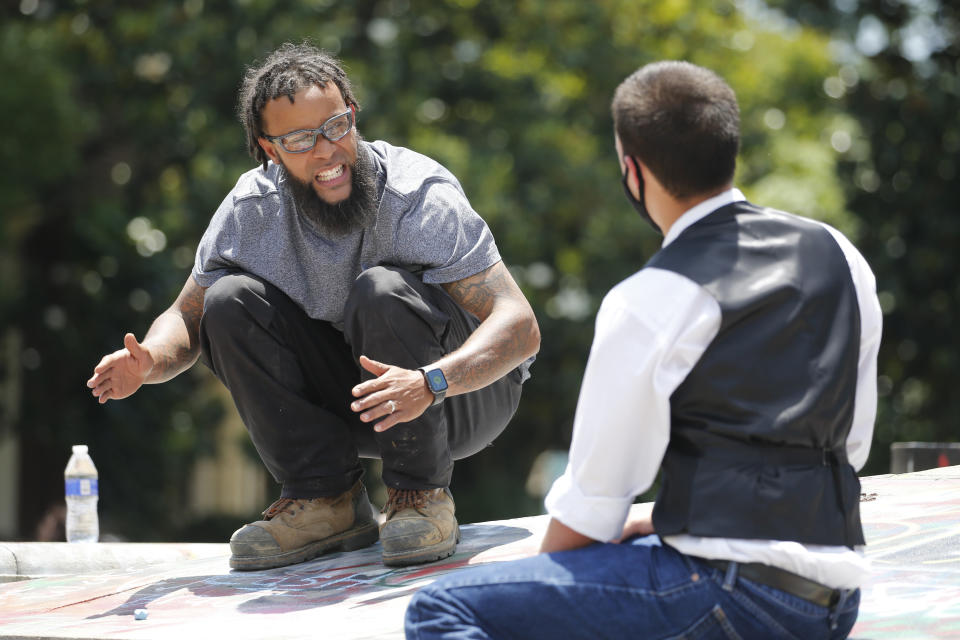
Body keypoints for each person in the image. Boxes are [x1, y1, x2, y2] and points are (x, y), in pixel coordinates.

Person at [405, 61, 882, 639]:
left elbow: (593, 505)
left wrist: (540, 587)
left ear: (633, 172)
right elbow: (845, 447)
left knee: (443, 608)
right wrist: (667, 521)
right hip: (833, 599)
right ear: (729, 148)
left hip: (725, 597)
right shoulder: (838, 254)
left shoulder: (651, 295)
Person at [86, 43, 540, 570]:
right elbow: (188, 315)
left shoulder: (418, 197)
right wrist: (153, 361)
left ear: (354, 113)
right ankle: (327, 499)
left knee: (380, 290)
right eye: (300, 139)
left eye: (335, 126)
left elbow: (519, 326)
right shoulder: (251, 211)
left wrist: (430, 382)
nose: (326, 151)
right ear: (270, 150)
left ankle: (420, 498)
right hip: (359, 398)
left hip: (460, 396)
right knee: (229, 301)